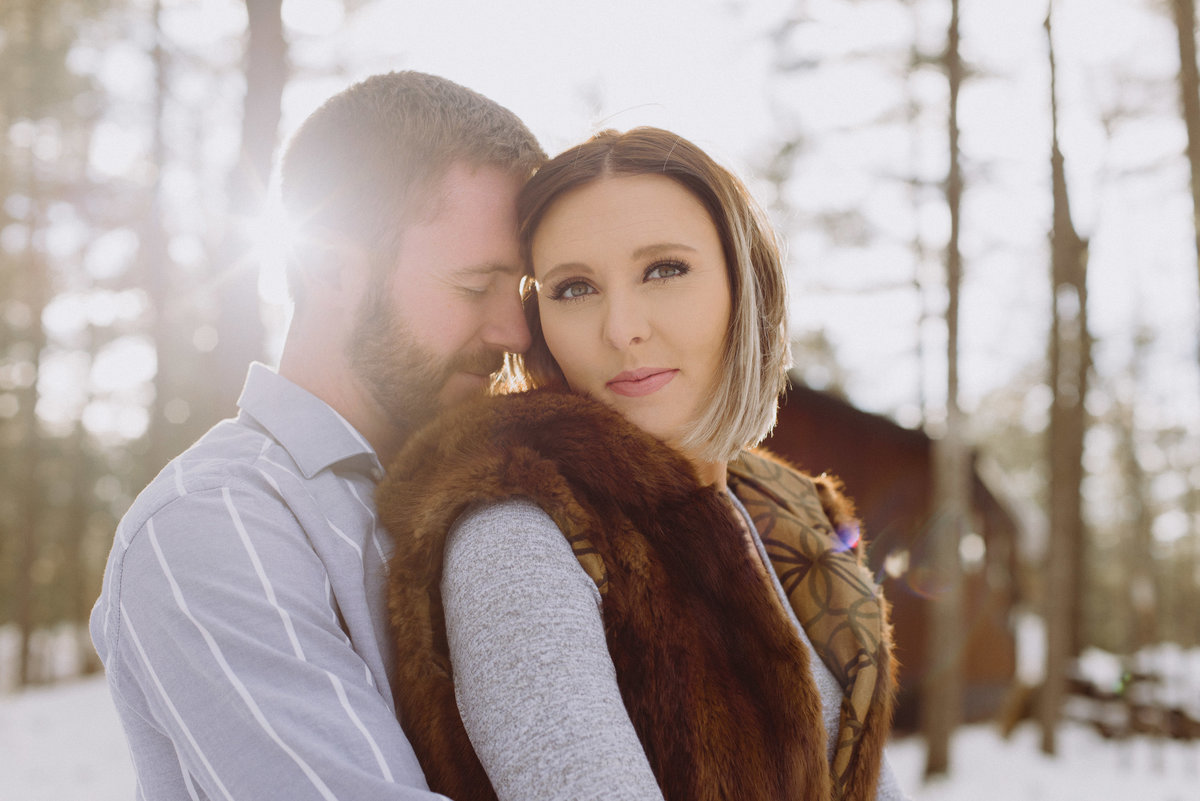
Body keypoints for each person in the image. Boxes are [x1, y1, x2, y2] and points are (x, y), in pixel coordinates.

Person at [377, 128, 909, 801]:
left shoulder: (795, 519)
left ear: (744, 282)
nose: (621, 327)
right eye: (574, 288)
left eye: (664, 269)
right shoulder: (517, 533)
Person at [89, 71, 545, 800]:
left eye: (522, 290)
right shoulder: (211, 522)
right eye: (473, 286)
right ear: (328, 264)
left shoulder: (495, 497)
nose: (514, 332)